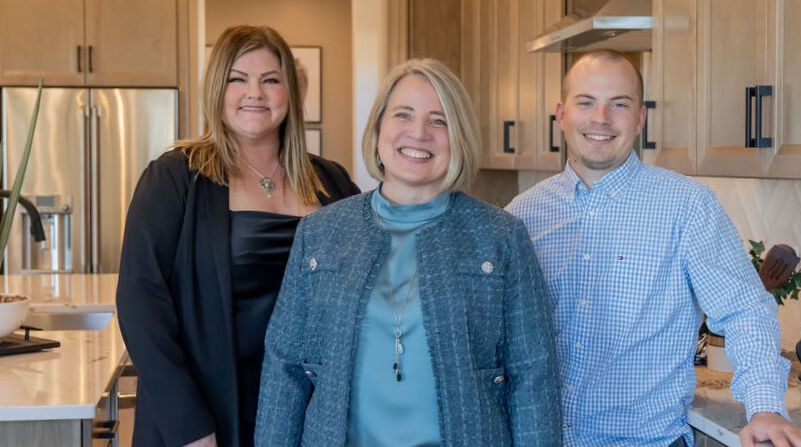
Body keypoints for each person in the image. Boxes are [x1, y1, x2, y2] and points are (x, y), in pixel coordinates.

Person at [505, 50, 801, 447]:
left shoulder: (687, 206)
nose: (600, 119)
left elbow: (745, 309)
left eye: (619, 105)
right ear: (561, 114)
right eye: (586, 102)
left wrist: (765, 408)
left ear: (640, 118)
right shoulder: (521, 216)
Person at [255, 58, 562, 446]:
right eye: (404, 115)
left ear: (459, 137)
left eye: (439, 121)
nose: (419, 133)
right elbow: (284, 369)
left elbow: (533, 374)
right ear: (380, 127)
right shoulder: (320, 232)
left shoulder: (501, 236)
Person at [116, 25, 361, 447]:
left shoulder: (332, 181)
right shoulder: (175, 177)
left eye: (271, 79)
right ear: (217, 89)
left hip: (311, 415)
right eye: (237, 79)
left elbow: (370, 291)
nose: (256, 93)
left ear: (291, 92)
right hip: (209, 415)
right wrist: (190, 428)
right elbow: (141, 307)